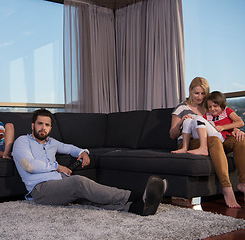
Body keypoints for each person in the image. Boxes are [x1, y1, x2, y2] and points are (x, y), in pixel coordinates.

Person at [12, 108, 166, 216]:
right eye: (40, 124)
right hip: (40, 190)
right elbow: (29, 165)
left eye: (47, 125)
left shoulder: (52, 142)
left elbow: (70, 148)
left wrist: (83, 152)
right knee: (79, 183)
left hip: (59, 182)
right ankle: (137, 195)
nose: (43, 128)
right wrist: (57, 166)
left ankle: (138, 208)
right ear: (33, 125)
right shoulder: (22, 141)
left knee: (90, 197)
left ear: (50, 128)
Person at [169, 77, 245, 208]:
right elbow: (172, 135)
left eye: (203, 93)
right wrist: (181, 122)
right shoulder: (182, 107)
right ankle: (227, 188)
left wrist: (237, 129)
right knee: (214, 140)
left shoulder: (209, 107)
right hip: (190, 142)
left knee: (240, 140)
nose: (199, 97)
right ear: (190, 91)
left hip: (215, 140)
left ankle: (243, 183)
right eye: (196, 93)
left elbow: (222, 122)